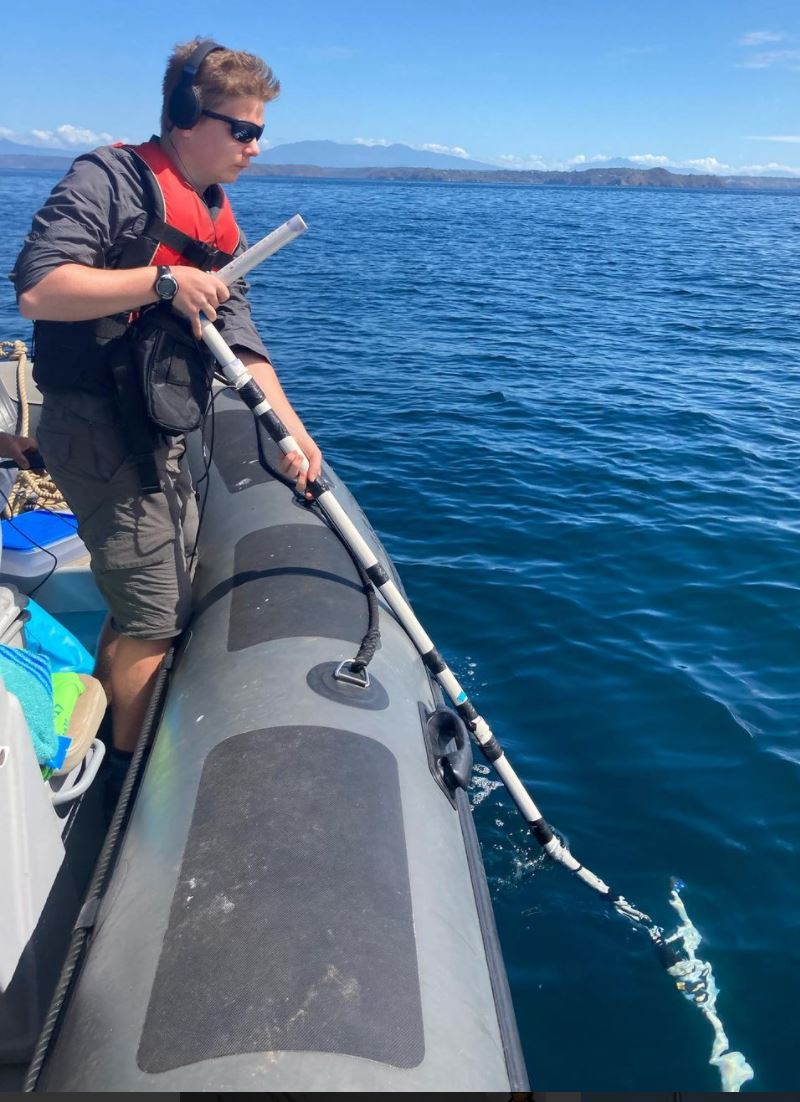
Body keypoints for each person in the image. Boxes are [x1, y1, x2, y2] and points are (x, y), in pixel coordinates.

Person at [11, 38, 321, 797]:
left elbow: (241, 340)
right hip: (97, 429)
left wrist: (294, 433)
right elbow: (39, 290)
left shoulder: (217, 219)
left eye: (260, 132)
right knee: (153, 616)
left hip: (158, 433)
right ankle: (124, 791)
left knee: (145, 597)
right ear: (186, 116)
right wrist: (159, 283)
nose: (255, 147)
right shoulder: (108, 179)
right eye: (241, 130)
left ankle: (102, 722)